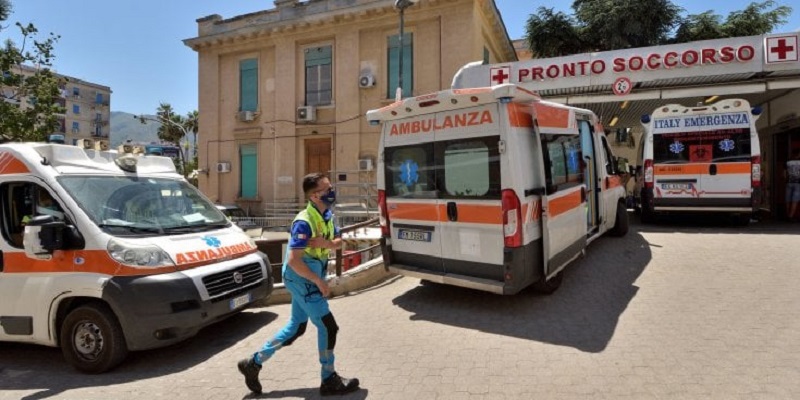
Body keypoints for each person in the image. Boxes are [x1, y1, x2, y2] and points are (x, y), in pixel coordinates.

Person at [237, 173, 360, 396]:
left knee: (296, 327)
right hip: (302, 278)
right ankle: (329, 378)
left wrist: (327, 243)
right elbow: (294, 260)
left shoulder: (328, 216)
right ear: (314, 195)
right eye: (326, 189)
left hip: (309, 276)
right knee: (328, 326)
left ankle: (253, 363)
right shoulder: (304, 222)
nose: (332, 191)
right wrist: (319, 282)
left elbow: (339, 242)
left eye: (331, 187)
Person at [786, 149, 800, 221]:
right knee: (795, 201)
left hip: (789, 182)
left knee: (788, 200)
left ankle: (787, 214)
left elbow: (783, 174)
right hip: (798, 183)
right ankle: (790, 217)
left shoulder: (788, 162)